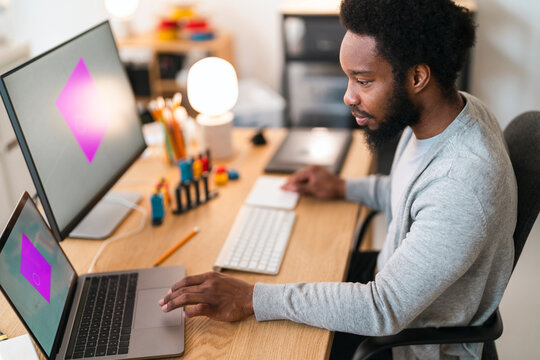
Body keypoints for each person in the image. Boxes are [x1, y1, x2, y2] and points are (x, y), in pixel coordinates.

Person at [158, 0, 518, 358]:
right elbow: (409, 195)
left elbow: (382, 309)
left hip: (408, 344)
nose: (348, 96)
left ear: (417, 77)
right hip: (394, 288)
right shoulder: (443, 114)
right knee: (295, 262)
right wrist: (343, 187)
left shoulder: (464, 180)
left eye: (363, 81)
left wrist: (250, 297)